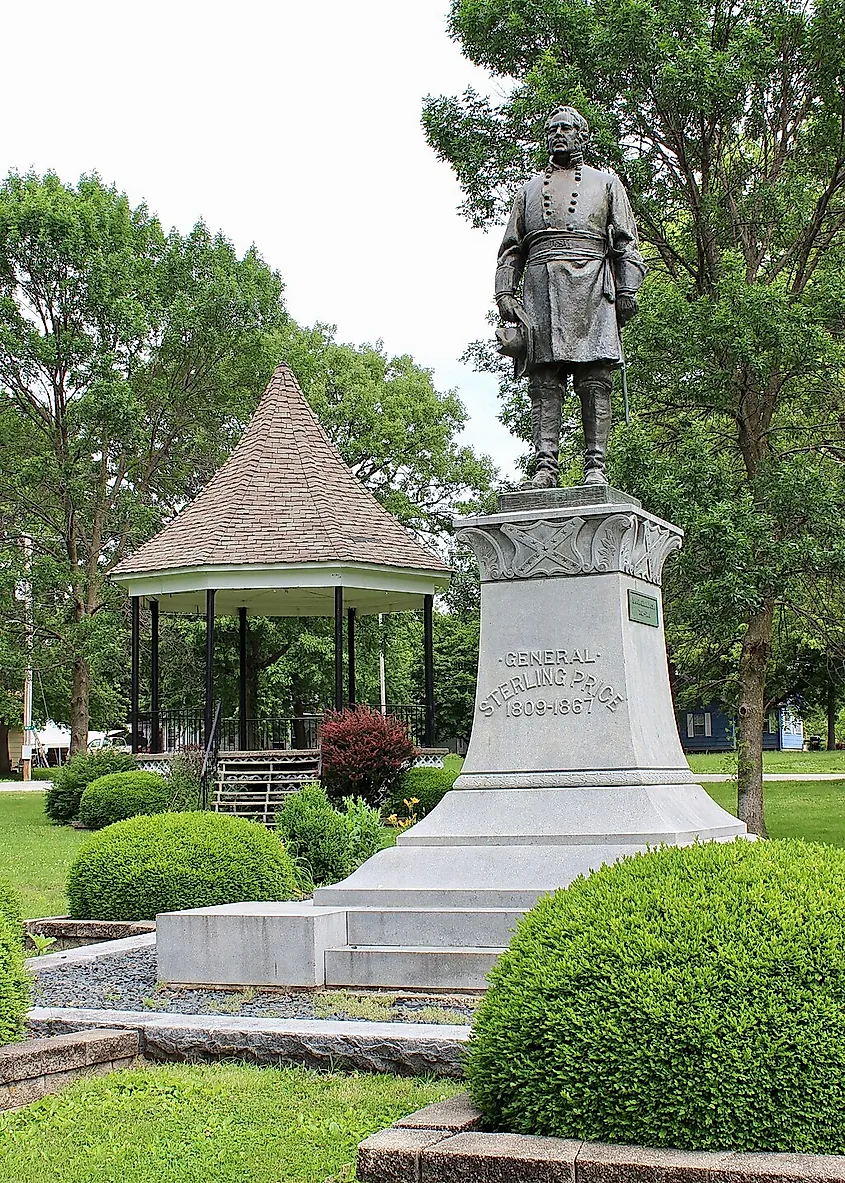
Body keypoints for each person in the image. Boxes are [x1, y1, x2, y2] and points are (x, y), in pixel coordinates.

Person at [496, 106, 646, 487]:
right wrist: (503, 293)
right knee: (544, 380)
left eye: (566, 128)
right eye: (552, 129)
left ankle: (595, 464)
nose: (558, 134)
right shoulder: (527, 191)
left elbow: (626, 242)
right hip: (540, 288)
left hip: (592, 285)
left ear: (583, 136)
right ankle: (545, 466)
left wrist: (627, 288)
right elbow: (512, 250)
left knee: (594, 376)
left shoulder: (607, 184)